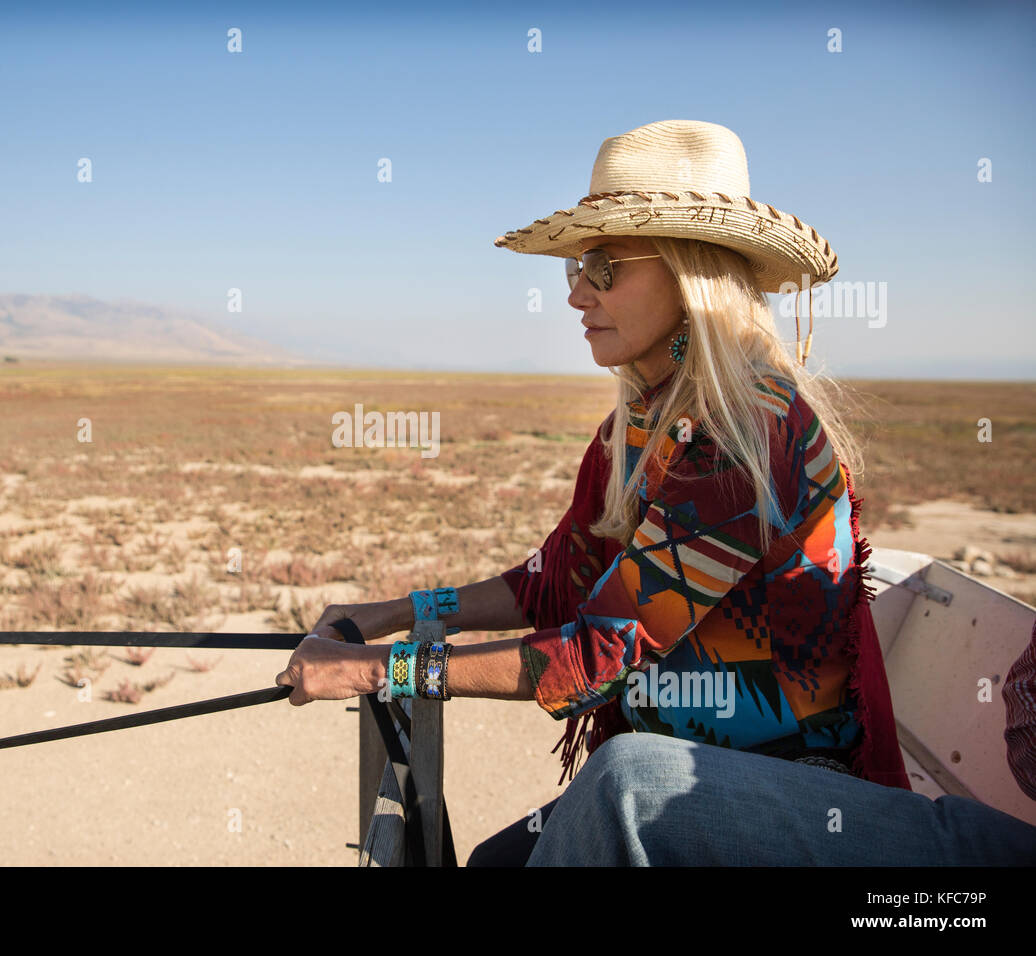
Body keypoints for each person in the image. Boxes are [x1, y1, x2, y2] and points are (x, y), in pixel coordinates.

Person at [275, 119, 910, 866]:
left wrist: (377, 670)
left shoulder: (745, 439)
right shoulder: (639, 426)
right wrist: (400, 613)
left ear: (689, 273)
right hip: (675, 767)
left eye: (605, 267)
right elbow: (556, 582)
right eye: (577, 266)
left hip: (788, 790)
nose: (577, 293)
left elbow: (597, 657)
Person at [522, 621, 1036, 865]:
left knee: (627, 784)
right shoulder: (637, 446)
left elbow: (604, 644)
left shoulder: (742, 451)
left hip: (803, 757)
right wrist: (440, 609)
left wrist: (437, 670)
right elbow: (552, 578)